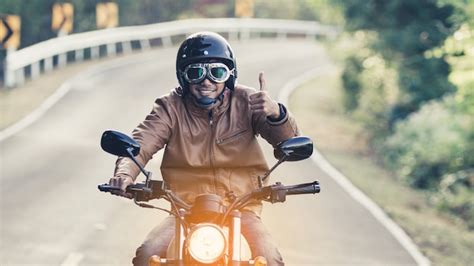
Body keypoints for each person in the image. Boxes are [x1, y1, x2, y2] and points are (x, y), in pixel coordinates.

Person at [109, 31, 299, 266]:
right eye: (196, 72)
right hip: (185, 209)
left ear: (229, 75)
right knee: (147, 255)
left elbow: (288, 141)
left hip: (241, 206)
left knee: (269, 258)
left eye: (216, 72)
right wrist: (125, 174)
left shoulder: (249, 101)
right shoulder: (169, 108)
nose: (206, 81)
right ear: (183, 77)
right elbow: (140, 144)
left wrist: (276, 113)